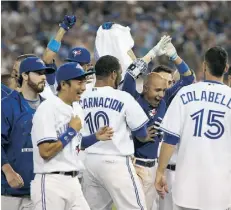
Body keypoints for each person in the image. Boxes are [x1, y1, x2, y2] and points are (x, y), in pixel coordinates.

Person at [155, 46, 231, 210]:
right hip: (220, 190)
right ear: (226, 68)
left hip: (186, 187)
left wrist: (160, 172)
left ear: (204, 65)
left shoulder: (185, 94)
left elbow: (170, 140)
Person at [122, 38, 195, 210]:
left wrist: (175, 57)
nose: (161, 94)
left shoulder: (165, 100)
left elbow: (188, 78)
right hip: (135, 166)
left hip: (155, 168)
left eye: (163, 90)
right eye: (157, 90)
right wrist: (152, 53)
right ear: (145, 88)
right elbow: (130, 75)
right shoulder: (132, 99)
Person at [30, 62, 113, 210]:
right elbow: (45, 151)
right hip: (51, 181)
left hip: (73, 182)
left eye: (84, 82)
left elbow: (74, 144)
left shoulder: (77, 108)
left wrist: (95, 137)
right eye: (79, 82)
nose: (83, 87)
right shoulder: (48, 109)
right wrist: (71, 131)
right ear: (63, 84)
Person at [80, 55, 153, 210]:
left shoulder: (82, 95)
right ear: (113, 74)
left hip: (89, 162)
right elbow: (140, 131)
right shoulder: (123, 97)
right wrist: (145, 138)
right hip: (115, 161)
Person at [1, 57, 55, 210]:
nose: (43, 77)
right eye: (38, 73)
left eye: (44, 73)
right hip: (10, 192)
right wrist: (8, 171)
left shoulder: (50, 107)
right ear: (24, 76)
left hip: (42, 191)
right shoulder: (7, 105)